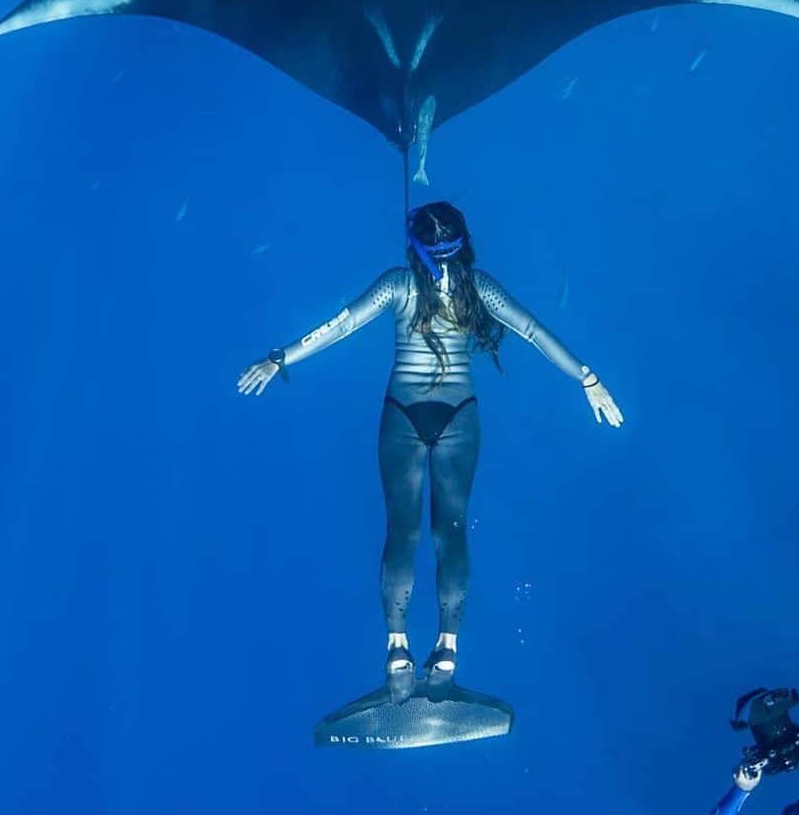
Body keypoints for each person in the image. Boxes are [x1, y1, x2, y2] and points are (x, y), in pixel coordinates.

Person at [238, 201, 622, 699]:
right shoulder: (480, 288)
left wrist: (278, 358)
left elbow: (339, 325)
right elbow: (533, 331)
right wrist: (588, 379)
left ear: (415, 247)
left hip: (402, 415)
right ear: (463, 244)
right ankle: (447, 651)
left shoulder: (399, 284)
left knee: (402, 531)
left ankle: (397, 650)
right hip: (459, 416)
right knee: (452, 532)